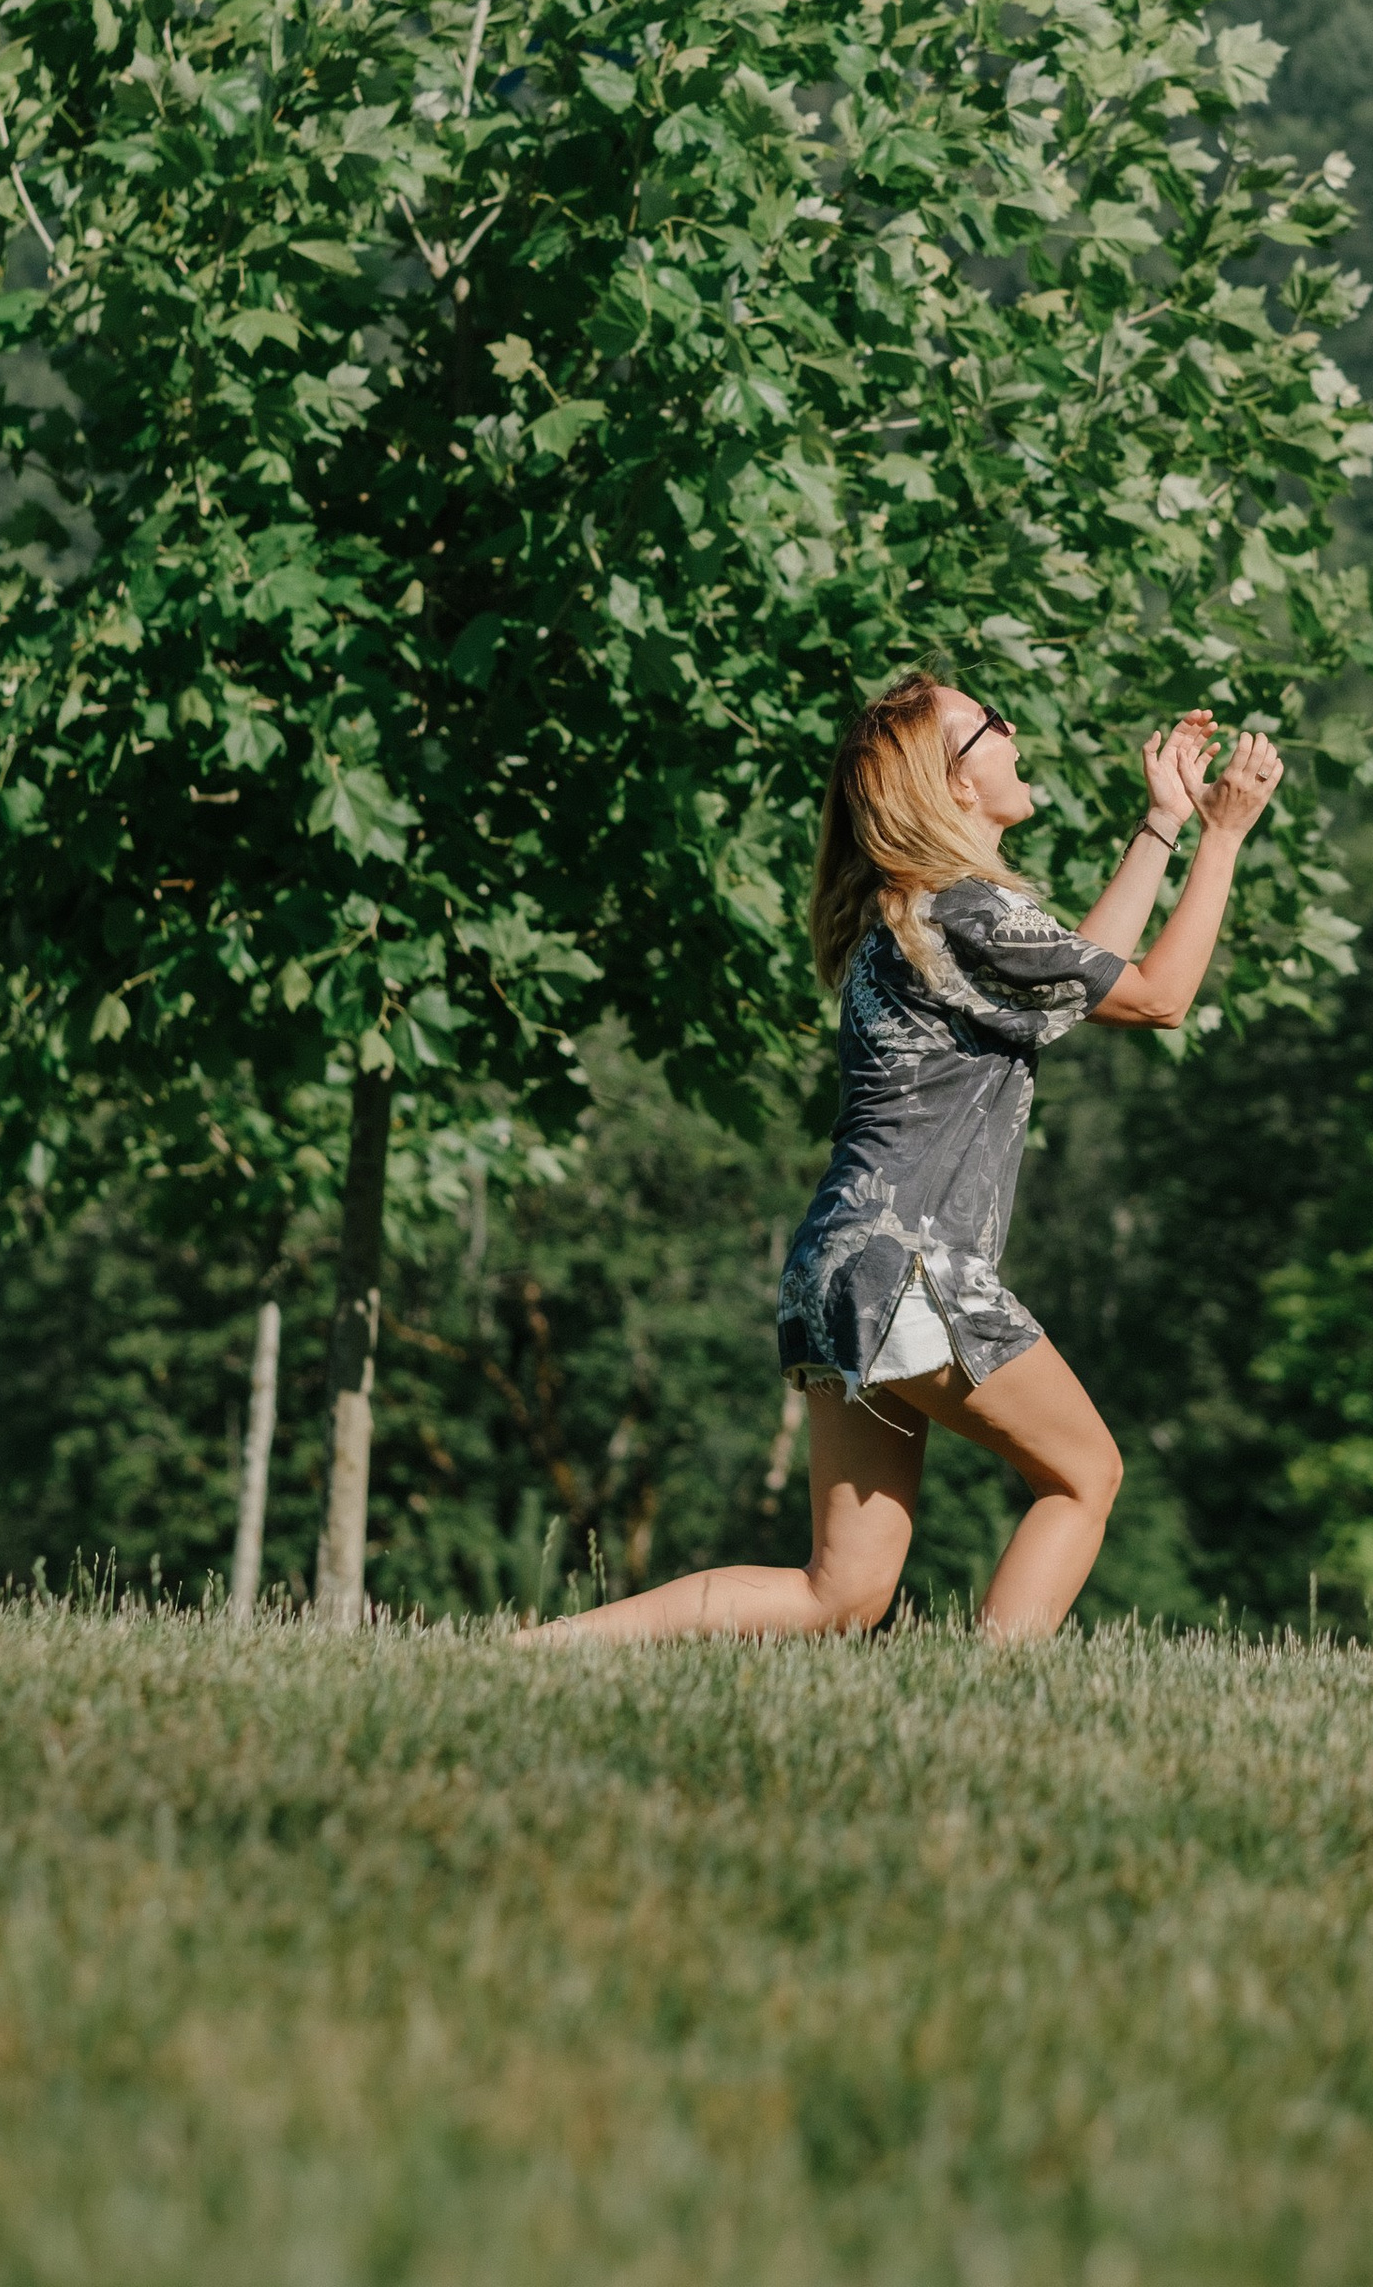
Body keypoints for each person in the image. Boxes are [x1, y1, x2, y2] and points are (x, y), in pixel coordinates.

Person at [517, 672, 1284, 1648]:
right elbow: (1159, 997)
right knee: (1084, 1475)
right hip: (917, 1267)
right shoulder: (962, 907)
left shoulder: (929, 911)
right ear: (949, 784)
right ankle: (992, 1703)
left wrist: (1163, 822)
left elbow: (1086, 978)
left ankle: (533, 1655)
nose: (1012, 732)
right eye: (988, 727)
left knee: (839, 1594)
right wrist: (1221, 838)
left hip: (837, 1270)